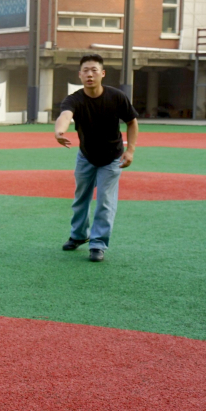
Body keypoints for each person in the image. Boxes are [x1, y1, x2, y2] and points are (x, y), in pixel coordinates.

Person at [54, 54, 138, 262]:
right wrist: (59, 132)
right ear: (80, 75)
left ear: (102, 73)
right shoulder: (74, 99)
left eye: (94, 70)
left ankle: (98, 243)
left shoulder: (116, 97)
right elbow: (65, 116)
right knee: (81, 197)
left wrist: (131, 151)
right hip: (86, 156)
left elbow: (132, 122)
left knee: (105, 201)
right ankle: (79, 235)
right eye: (85, 71)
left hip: (112, 157)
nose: (89, 75)